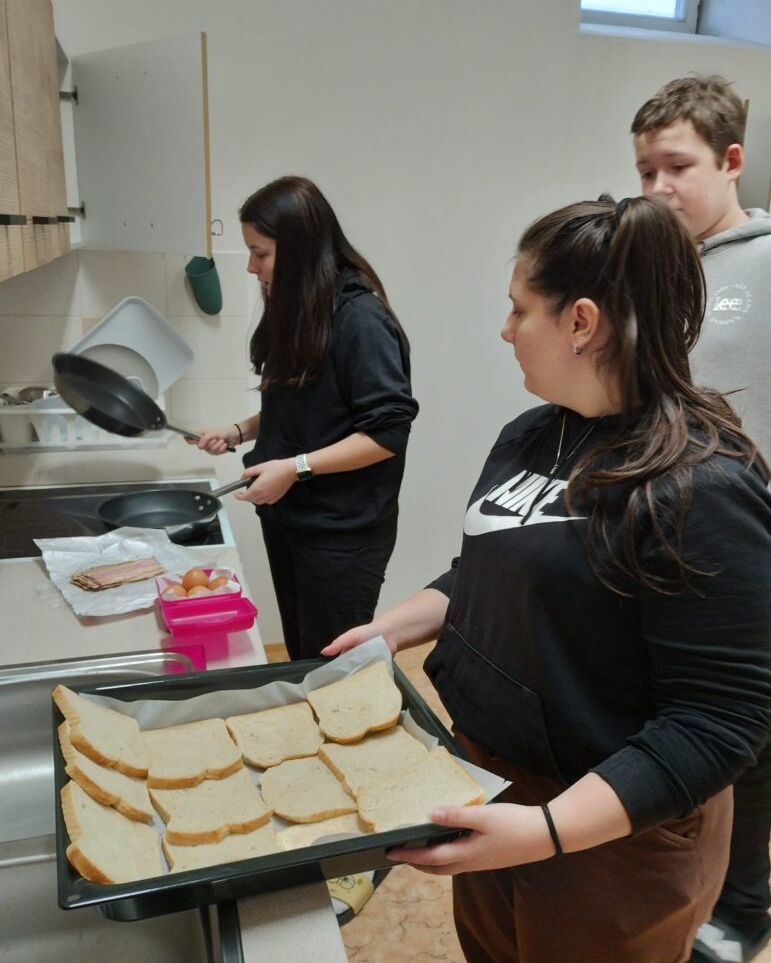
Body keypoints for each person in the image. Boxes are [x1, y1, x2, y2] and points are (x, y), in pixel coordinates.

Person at [324, 195, 771, 963]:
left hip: (608, 833)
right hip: (493, 789)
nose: (505, 330)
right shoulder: (534, 433)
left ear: (580, 323)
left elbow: (717, 724)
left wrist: (546, 831)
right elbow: (492, 567)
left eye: (518, 308)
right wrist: (390, 630)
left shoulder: (700, 485)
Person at [632, 75, 771, 963]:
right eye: (644, 170)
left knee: (748, 740)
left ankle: (744, 908)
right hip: (665, 537)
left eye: (675, 167)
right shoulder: (659, 270)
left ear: (730, 161)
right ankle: (691, 884)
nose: (656, 188)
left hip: (749, 544)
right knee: (684, 722)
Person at [194, 175, 418, 660]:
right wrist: (238, 431)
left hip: (341, 534)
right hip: (289, 518)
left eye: (260, 253)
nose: (251, 267)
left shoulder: (362, 320)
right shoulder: (301, 308)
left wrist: (294, 468)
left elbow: (387, 433)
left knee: (331, 667)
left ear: (300, 250)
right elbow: (302, 404)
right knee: (302, 658)